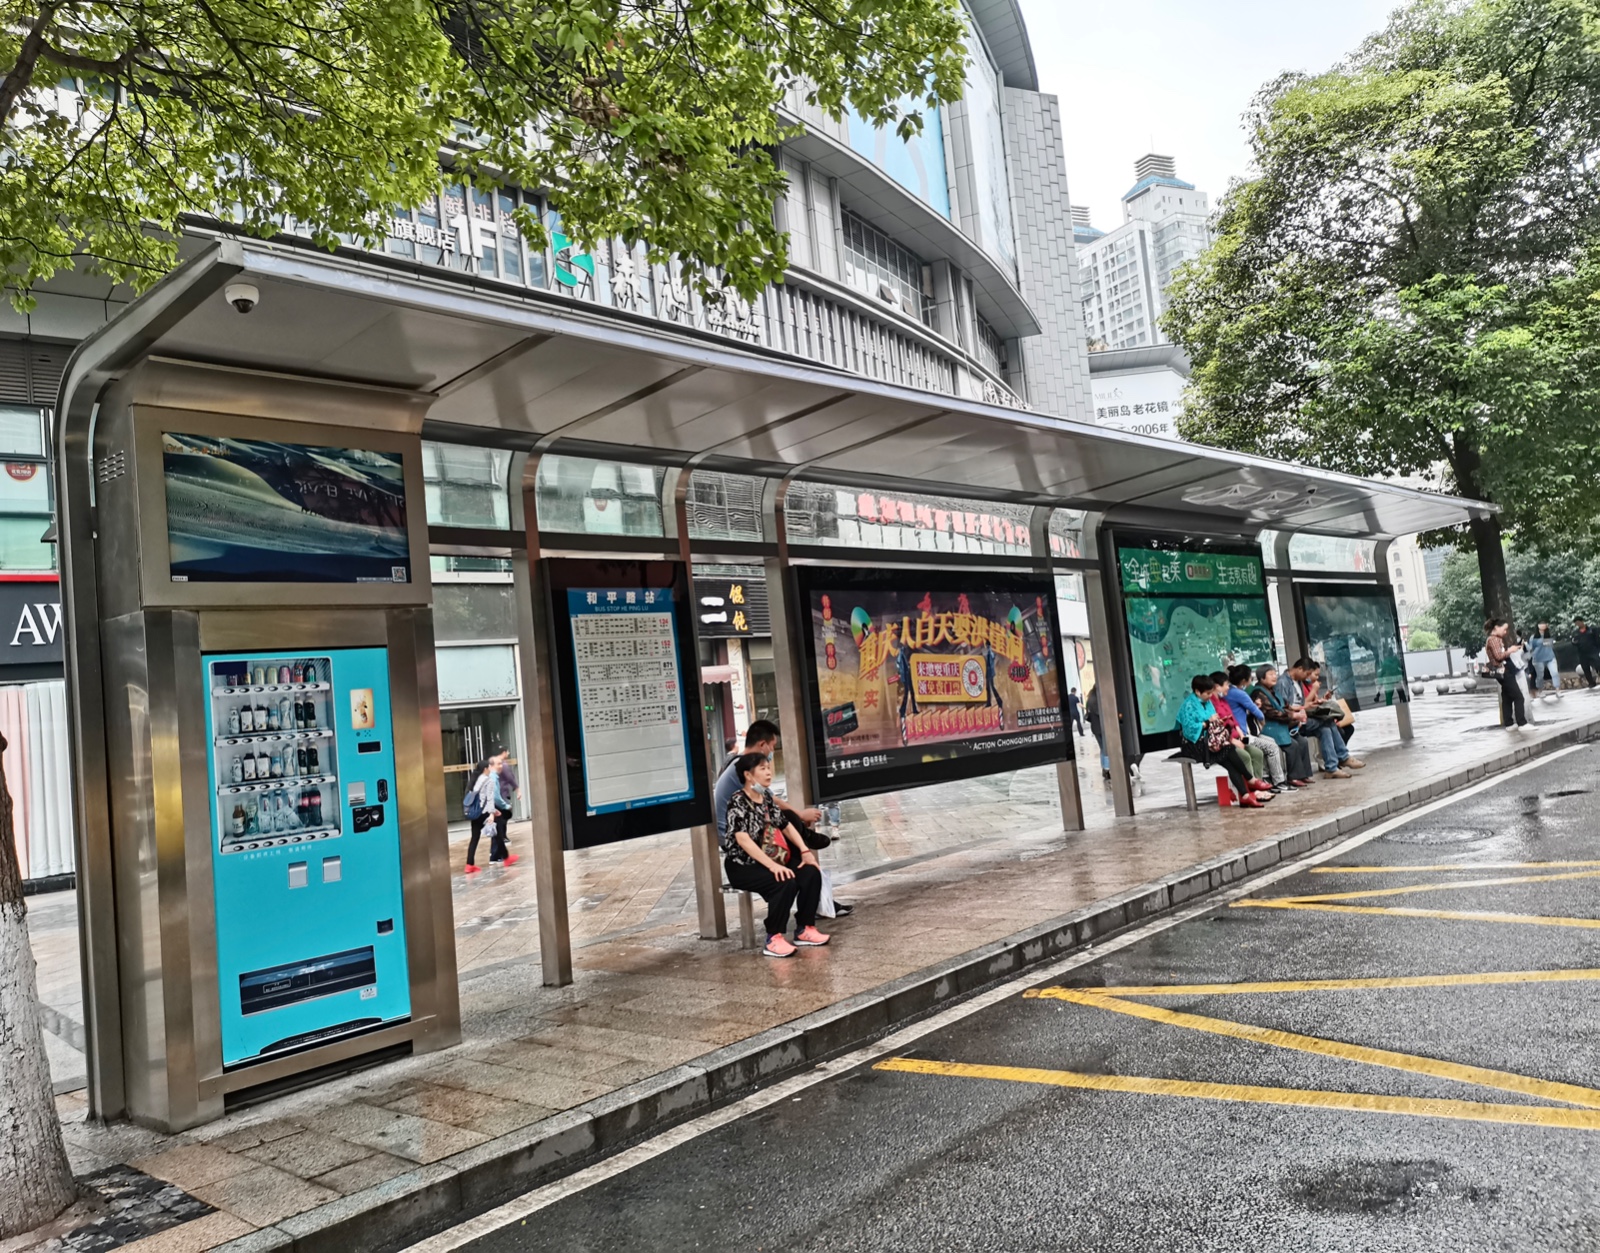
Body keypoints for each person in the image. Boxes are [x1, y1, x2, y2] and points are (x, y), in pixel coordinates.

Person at [715, 720, 852, 917]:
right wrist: (801, 815)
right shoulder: (743, 769)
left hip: (753, 831)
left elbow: (771, 802)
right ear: (762, 745)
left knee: (794, 838)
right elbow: (773, 801)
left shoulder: (741, 765)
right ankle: (818, 898)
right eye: (772, 746)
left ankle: (819, 901)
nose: (772, 752)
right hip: (738, 840)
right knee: (793, 837)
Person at [722, 751, 829, 958]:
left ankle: (805, 928)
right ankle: (773, 937)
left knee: (809, 872)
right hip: (743, 865)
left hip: (771, 859)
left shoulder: (766, 799)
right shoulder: (737, 801)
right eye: (762, 769)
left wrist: (805, 851)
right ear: (748, 775)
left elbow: (786, 825)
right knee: (784, 881)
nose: (768, 772)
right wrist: (773, 866)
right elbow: (743, 840)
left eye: (768, 768)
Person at [1176, 674, 1273, 808]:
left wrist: (1216, 723)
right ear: (1197, 691)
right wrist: (1207, 722)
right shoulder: (1189, 706)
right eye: (1207, 693)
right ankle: (1250, 781)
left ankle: (1245, 795)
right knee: (1229, 751)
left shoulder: (1207, 702)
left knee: (1229, 760)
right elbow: (1189, 730)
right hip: (1194, 745)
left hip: (1211, 742)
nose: (1210, 696)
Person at [1278, 659, 1362, 778]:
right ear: (1300, 669)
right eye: (1307, 674)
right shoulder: (1283, 682)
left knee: (1325, 730)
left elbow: (1302, 704)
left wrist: (1311, 704)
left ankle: (1332, 768)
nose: (1307, 677)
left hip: (1303, 717)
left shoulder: (1298, 682)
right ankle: (1343, 757)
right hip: (1293, 721)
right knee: (1327, 721)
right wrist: (1304, 707)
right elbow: (1285, 707)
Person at [1221, 664, 1288, 790]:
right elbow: (1258, 714)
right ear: (1244, 680)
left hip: (1238, 733)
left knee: (1269, 743)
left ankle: (1266, 777)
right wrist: (1260, 715)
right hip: (1243, 736)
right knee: (1272, 747)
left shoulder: (1229, 693)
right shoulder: (1239, 693)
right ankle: (1279, 782)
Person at [1251, 665, 1315, 788]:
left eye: (1275, 673)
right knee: (1292, 745)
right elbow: (1271, 712)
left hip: (1281, 725)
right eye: (1270, 674)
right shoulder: (1258, 693)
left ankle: (1304, 774)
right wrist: (1293, 716)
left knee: (1302, 741)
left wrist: (1297, 714)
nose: (1274, 676)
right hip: (1269, 727)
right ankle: (1293, 777)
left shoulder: (1273, 691)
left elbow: (1285, 706)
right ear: (1262, 678)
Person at [1208, 670, 1269, 787]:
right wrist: (1233, 740)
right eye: (1226, 685)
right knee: (1245, 757)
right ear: (1217, 686)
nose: (1228, 687)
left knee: (1257, 753)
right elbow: (1218, 728)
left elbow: (1234, 720)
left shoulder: (1223, 701)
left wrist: (1241, 735)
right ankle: (1250, 788)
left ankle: (1258, 784)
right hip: (1226, 741)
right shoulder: (1211, 705)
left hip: (1238, 736)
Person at [464, 758, 517, 872]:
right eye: (489, 767)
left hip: (476, 813)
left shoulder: (474, 780)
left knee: (475, 837)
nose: (490, 769)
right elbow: (489, 798)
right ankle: (506, 858)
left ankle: (469, 864)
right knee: (498, 833)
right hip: (484, 812)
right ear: (485, 769)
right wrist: (492, 813)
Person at [1483, 618, 1528, 728]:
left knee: (1507, 698)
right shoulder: (1493, 640)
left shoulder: (1495, 639)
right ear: (1496, 628)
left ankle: (1509, 724)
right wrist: (1510, 651)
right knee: (1519, 697)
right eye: (1504, 629)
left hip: (1503, 672)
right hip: (1504, 671)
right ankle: (1522, 723)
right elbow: (1498, 656)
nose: (1505, 632)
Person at [1527, 624, 1561, 698]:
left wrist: (1543, 643)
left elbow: (1550, 645)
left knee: (1555, 673)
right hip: (1538, 659)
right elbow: (1530, 648)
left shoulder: (1548, 635)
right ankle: (1540, 691)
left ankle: (1558, 690)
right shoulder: (1533, 637)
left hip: (1550, 657)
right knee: (1540, 676)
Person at [1084, 683, 1109, 779]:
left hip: (1095, 727)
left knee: (1102, 748)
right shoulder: (1096, 700)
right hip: (1100, 727)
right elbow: (1099, 712)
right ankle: (1106, 769)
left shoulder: (1090, 699)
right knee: (1105, 748)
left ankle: (1104, 767)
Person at [1574, 617, 1600, 689]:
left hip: (1593, 651)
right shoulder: (1576, 633)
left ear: (1582, 621)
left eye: (1579, 622)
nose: (1578, 624)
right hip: (1582, 653)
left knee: (1598, 665)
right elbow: (1573, 641)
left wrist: (1598, 649)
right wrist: (1574, 642)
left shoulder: (1591, 630)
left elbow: (1597, 639)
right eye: (1576, 623)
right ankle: (1591, 682)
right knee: (1585, 668)